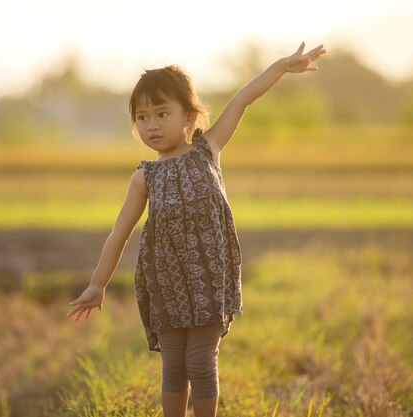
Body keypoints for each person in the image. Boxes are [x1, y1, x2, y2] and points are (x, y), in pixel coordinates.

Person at [66, 41, 326, 417]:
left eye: (161, 113)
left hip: (208, 280)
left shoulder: (209, 149)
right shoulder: (145, 177)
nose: (151, 125)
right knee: (173, 365)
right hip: (164, 283)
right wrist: (97, 283)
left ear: (189, 116)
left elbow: (243, 99)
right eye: (141, 117)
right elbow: (119, 232)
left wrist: (282, 67)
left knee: (201, 361)